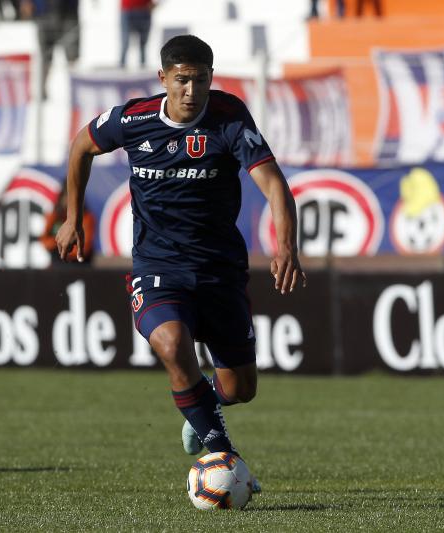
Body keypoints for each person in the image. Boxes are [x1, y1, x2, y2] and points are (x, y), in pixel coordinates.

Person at [55, 35, 305, 493]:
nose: (192, 91)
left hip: (219, 271)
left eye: (202, 80)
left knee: (240, 389)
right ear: (163, 79)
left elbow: (274, 186)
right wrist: (72, 218)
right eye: (183, 80)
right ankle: (219, 450)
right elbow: (80, 148)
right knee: (172, 344)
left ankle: (203, 405)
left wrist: (286, 246)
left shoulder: (229, 118)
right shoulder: (134, 118)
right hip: (157, 266)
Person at [40, 180, 95, 265]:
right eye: (67, 196)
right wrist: (59, 243)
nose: (70, 201)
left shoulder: (86, 217)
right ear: (62, 197)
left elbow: (85, 248)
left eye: (74, 197)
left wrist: (66, 248)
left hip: (78, 265)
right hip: (57, 263)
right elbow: (44, 241)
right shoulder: (54, 216)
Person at [120, 0, 154, 69]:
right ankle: (122, 65)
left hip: (144, 10)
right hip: (128, 9)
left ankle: (143, 64)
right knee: (125, 41)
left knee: (143, 42)